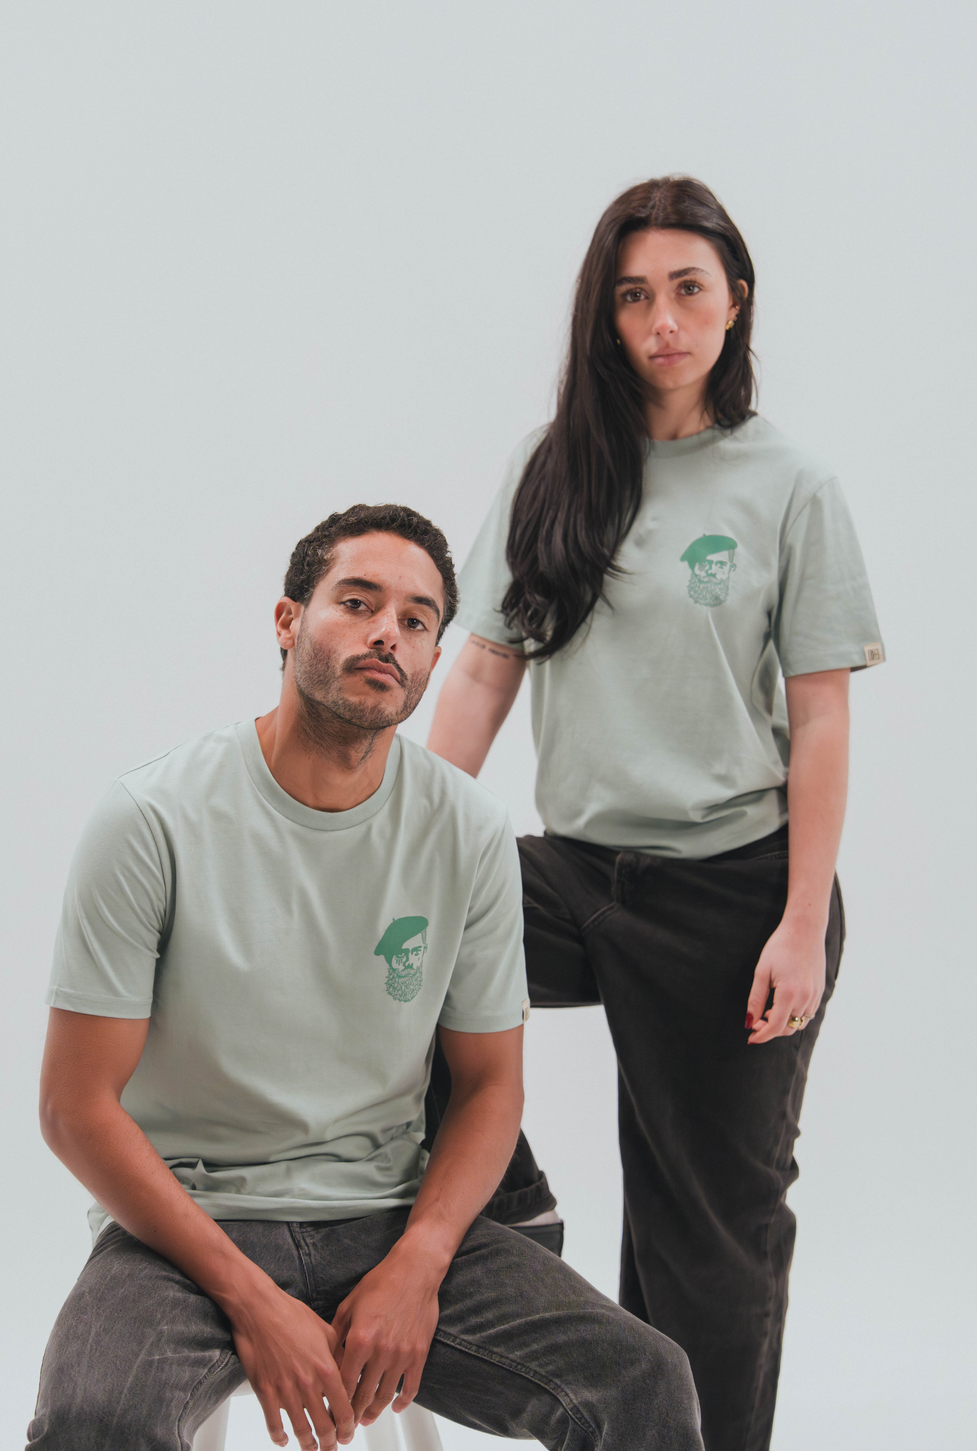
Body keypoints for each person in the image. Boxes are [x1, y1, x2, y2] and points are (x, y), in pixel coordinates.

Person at [28, 503, 703, 1451]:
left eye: (417, 620)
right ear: (288, 620)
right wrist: (252, 1301)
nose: (389, 630)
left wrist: (419, 1262)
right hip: (185, 1229)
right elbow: (74, 1107)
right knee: (94, 1420)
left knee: (644, 1380)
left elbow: (489, 1086)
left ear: (431, 661)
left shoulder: (466, 829)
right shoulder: (153, 818)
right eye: (357, 601)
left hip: (386, 1216)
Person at [426, 176, 885, 1451]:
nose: (662, 321)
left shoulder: (789, 482)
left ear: (735, 300)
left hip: (734, 891)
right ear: (605, 316)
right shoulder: (555, 465)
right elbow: (484, 665)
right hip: (574, 873)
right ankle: (506, 1198)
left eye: (687, 289)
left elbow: (823, 718)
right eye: (633, 296)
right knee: (381, 942)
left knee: (706, 1242)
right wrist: (397, 840)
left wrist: (801, 921)